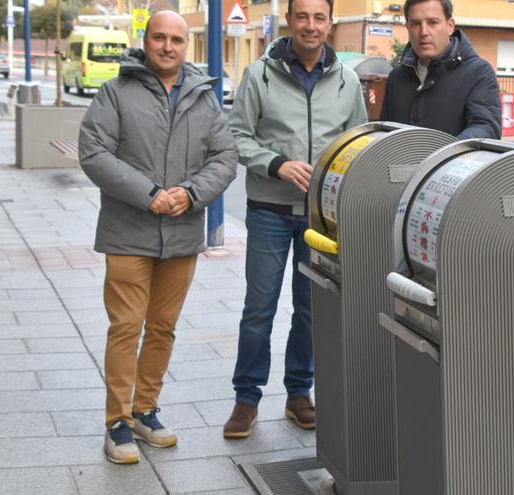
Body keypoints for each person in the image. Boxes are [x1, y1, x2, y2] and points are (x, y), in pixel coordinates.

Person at [78, 10, 238, 464]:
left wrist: (190, 194)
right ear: (145, 41)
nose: (168, 46)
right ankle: (117, 422)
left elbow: (225, 157)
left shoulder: (204, 96)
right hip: (129, 231)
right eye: (159, 38)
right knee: (126, 326)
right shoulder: (116, 91)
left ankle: (145, 410)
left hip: (182, 233)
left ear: (187, 45)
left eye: (177, 40)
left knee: (163, 327)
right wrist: (149, 195)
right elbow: (93, 152)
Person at [224, 0, 367, 439]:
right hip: (269, 210)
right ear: (290, 20)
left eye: (319, 17)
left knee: (310, 310)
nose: (310, 25)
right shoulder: (260, 75)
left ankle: (298, 393)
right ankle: (246, 399)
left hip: (320, 217)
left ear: (329, 23)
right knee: (258, 309)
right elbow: (235, 135)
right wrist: (276, 164)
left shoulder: (347, 80)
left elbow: (357, 143)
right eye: (302, 16)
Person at [380, 0, 501, 139]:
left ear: (450, 26)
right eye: (416, 24)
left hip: (452, 161)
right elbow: (385, 133)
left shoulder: (478, 73)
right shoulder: (397, 77)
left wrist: (445, 155)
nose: (424, 32)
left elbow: (486, 129)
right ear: (407, 28)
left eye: (432, 22)